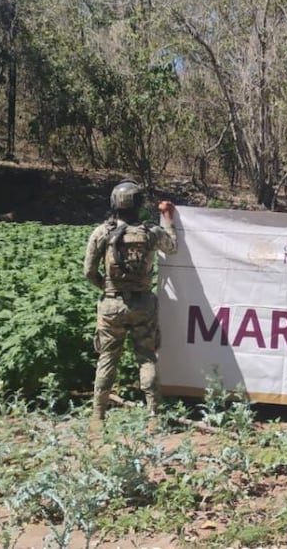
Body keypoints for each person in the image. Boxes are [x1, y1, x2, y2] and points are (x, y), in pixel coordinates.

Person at [83, 179, 177, 426]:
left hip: (111, 305)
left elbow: (88, 271)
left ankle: (97, 416)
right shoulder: (150, 232)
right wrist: (167, 218)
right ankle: (154, 417)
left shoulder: (102, 232)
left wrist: (107, 288)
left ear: (114, 203)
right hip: (143, 304)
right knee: (146, 358)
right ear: (138, 205)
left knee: (107, 359)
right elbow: (172, 246)